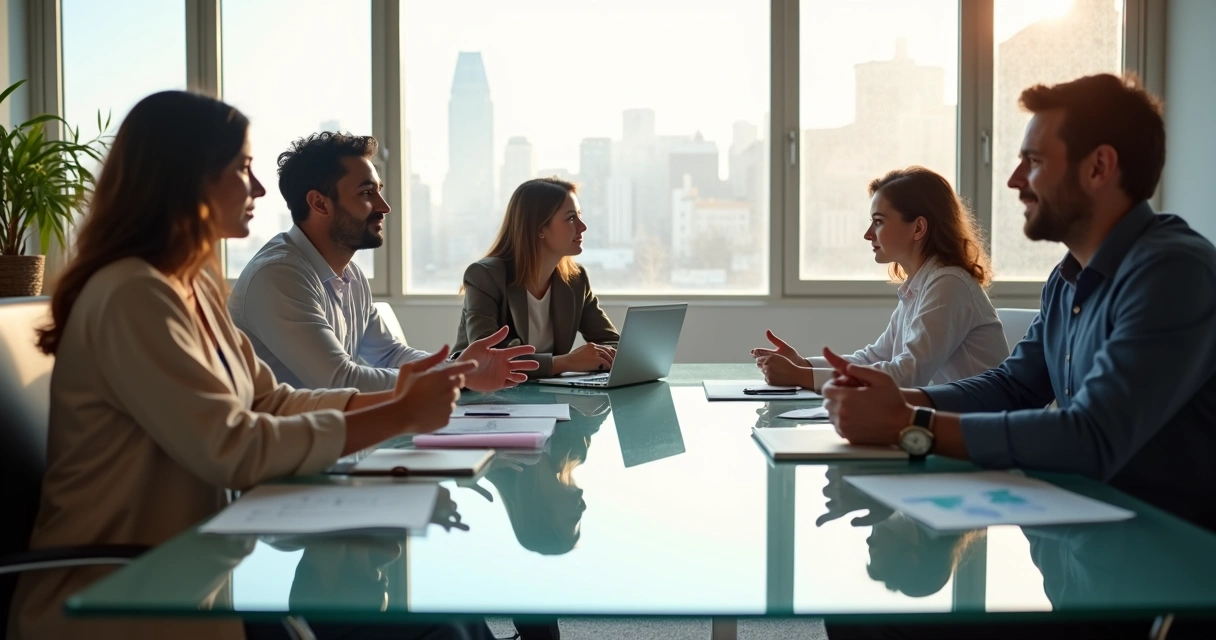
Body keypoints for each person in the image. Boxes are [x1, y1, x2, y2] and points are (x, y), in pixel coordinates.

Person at [10, 91, 493, 640]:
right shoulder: (132, 295)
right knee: (440, 632)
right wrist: (400, 415)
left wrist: (399, 397)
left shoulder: (188, 287)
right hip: (127, 596)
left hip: (200, 570)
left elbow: (271, 400)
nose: (259, 189)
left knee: (452, 619)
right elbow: (233, 448)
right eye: (242, 168)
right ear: (187, 179)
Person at [821, 74, 1216, 637]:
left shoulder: (1173, 273)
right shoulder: (1067, 281)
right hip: (1080, 554)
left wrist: (912, 423)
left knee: (869, 626)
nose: (1013, 180)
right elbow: (1013, 383)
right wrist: (899, 399)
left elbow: (1092, 437)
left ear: (1099, 167)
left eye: (1032, 161)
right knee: (858, 617)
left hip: (1161, 582)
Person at [229, 132, 537, 392]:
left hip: (331, 438)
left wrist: (461, 367)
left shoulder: (350, 274)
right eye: (367, 193)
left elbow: (389, 354)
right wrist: (456, 376)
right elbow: (339, 380)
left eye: (379, 191)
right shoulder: (279, 275)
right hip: (285, 453)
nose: (385, 207)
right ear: (319, 203)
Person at [752, 167, 1008, 391]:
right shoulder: (922, 284)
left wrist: (802, 377)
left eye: (878, 222)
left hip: (982, 430)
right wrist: (803, 364)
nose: (867, 234)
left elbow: (908, 375)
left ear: (918, 228)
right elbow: (875, 357)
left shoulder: (949, 285)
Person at [455, 177, 619, 379]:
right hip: (485, 398)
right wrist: (566, 362)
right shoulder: (485, 276)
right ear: (539, 228)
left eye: (579, 216)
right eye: (570, 218)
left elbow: (613, 343)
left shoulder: (576, 281)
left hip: (547, 397)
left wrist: (602, 358)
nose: (582, 226)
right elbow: (489, 357)